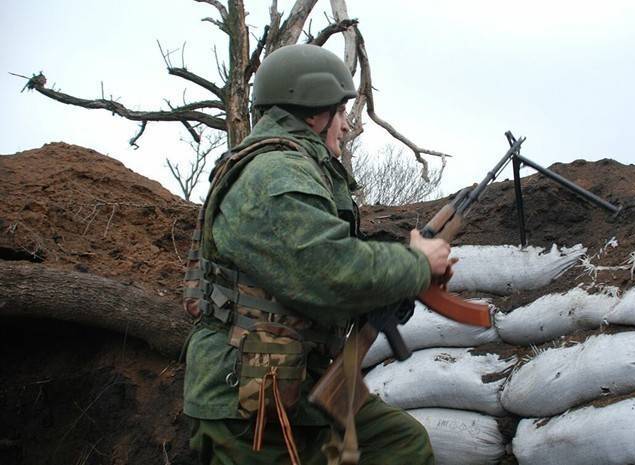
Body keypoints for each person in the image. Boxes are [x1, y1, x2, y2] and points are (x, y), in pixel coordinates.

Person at [183, 44, 449, 465]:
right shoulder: (275, 173)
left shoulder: (297, 168)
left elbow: (315, 265)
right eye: (341, 112)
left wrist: (390, 290)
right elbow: (328, 269)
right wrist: (416, 264)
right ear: (312, 113)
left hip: (297, 380)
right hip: (247, 398)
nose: (346, 126)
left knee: (400, 444)